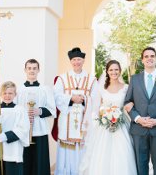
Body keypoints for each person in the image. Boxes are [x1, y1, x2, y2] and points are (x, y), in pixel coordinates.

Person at [79, 60, 137, 175]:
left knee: (123, 152)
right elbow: (96, 108)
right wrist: (105, 116)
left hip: (121, 125)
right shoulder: (101, 88)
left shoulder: (126, 87)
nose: (114, 72)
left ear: (120, 71)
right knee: (102, 153)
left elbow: (130, 104)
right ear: (107, 71)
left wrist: (128, 107)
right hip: (104, 125)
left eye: (116, 69)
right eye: (111, 70)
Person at [124, 47, 156, 175]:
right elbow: (127, 102)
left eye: (152, 56)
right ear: (142, 60)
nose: (149, 58)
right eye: (146, 56)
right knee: (140, 164)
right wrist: (138, 119)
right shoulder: (134, 79)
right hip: (139, 129)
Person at [53, 47, 98, 175]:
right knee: (67, 150)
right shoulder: (62, 78)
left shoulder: (91, 79)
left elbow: (96, 99)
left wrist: (84, 99)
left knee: (83, 147)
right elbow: (56, 96)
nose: (76, 62)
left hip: (85, 120)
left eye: (79, 59)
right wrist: (71, 99)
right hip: (66, 119)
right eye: (74, 59)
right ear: (70, 61)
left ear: (83, 60)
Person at [15, 59, 56, 175]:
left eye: (34, 68)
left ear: (38, 70)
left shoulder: (45, 89)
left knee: (40, 162)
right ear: (25, 70)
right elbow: (14, 110)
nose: (32, 71)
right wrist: (23, 113)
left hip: (40, 131)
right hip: (23, 131)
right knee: (24, 161)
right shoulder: (18, 90)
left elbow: (52, 110)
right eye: (29, 68)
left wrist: (40, 111)